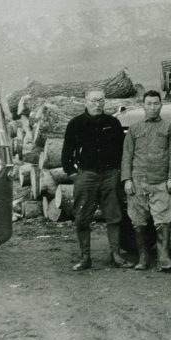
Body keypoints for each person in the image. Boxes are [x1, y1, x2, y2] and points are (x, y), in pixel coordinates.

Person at [61, 88, 132, 271]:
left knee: (114, 215)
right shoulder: (76, 124)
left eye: (101, 101)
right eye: (93, 101)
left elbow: (122, 151)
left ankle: (116, 254)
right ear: (85, 101)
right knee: (82, 217)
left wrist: (118, 173)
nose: (97, 104)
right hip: (86, 176)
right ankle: (85, 258)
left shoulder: (113, 123)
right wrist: (75, 175)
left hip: (110, 176)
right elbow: (66, 154)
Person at [121, 89, 171, 272]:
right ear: (143, 106)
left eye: (156, 103)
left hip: (160, 181)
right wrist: (127, 179)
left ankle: (164, 259)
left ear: (161, 105)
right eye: (149, 104)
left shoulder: (169, 128)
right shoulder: (134, 128)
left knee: (163, 219)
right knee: (138, 221)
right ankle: (143, 259)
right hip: (138, 181)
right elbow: (127, 155)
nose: (153, 107)